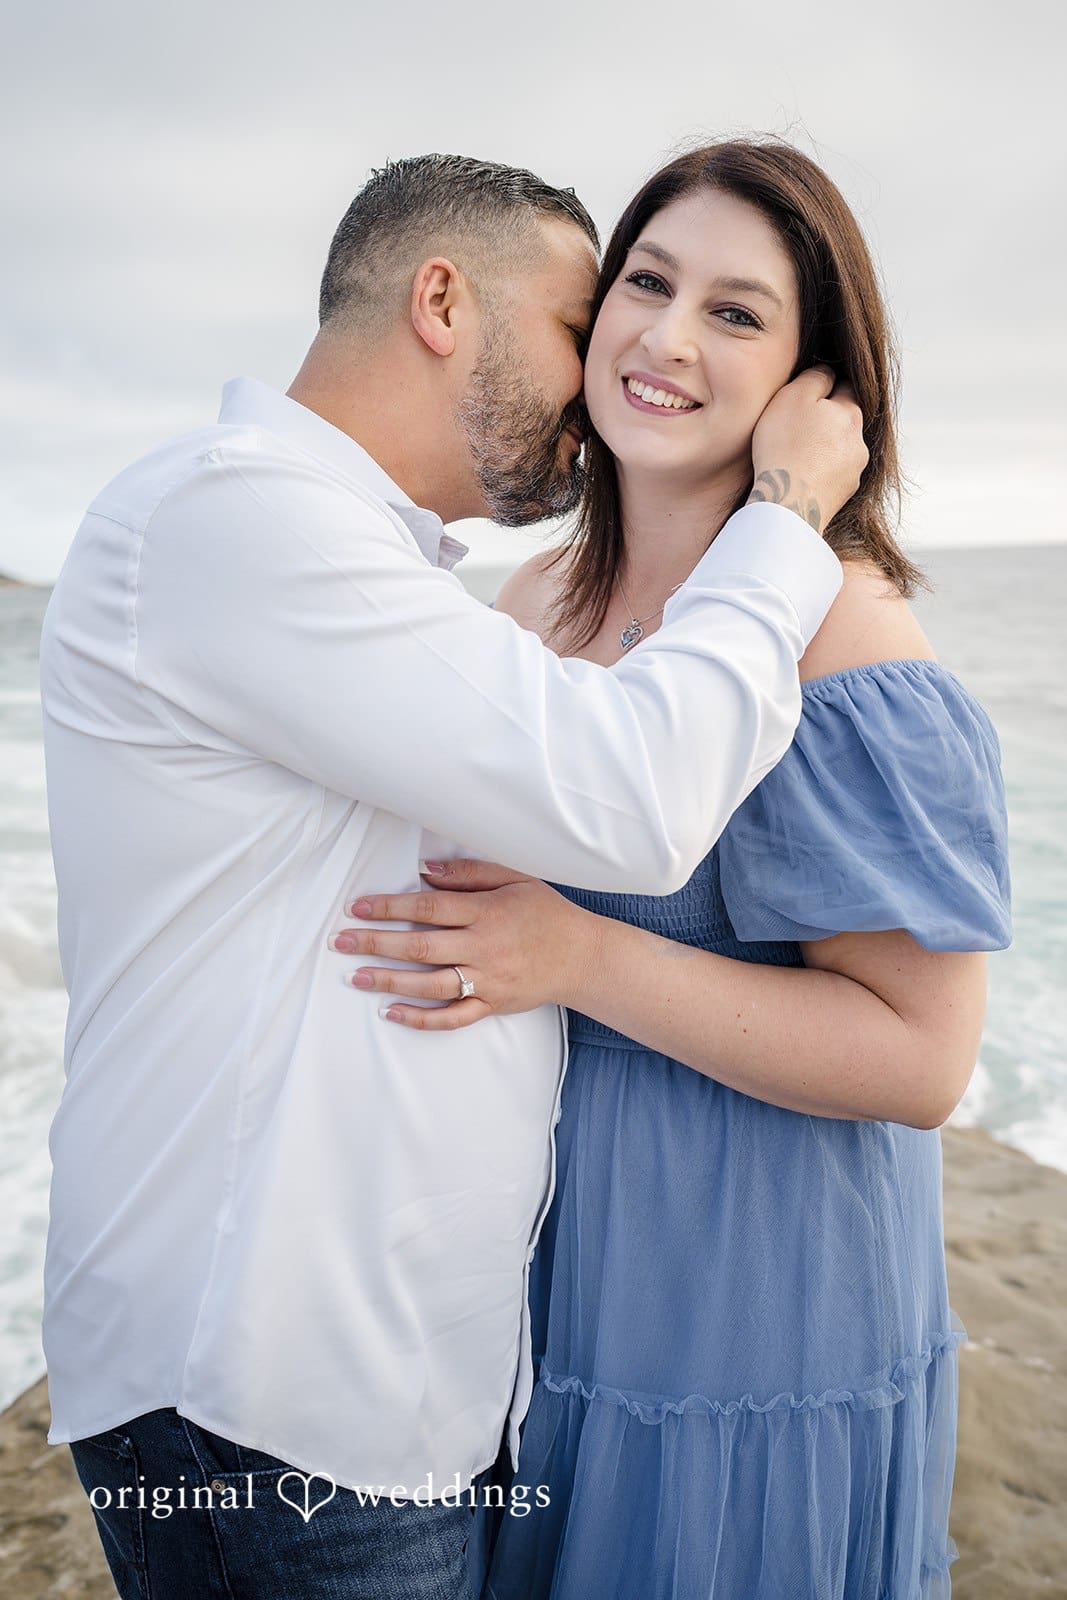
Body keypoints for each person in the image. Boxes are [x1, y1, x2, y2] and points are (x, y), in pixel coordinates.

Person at [40, 154, 866, 1599]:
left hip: (354, 1399)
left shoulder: (367, 566)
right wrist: (784, 526)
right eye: (576, 323)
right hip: (273, 1406)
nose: (602, 372)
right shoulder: (240, 521)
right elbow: (631, 792)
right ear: (441, 301)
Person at [331, 141, 1012, 1598]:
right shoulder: (525, 600)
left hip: (749, 1318)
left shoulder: (853, 641)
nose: (666, 337)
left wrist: (580, 955)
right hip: (539, 1290)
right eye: (645, 283)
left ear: (815, 391)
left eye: (738, 313)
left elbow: (921, 1058)